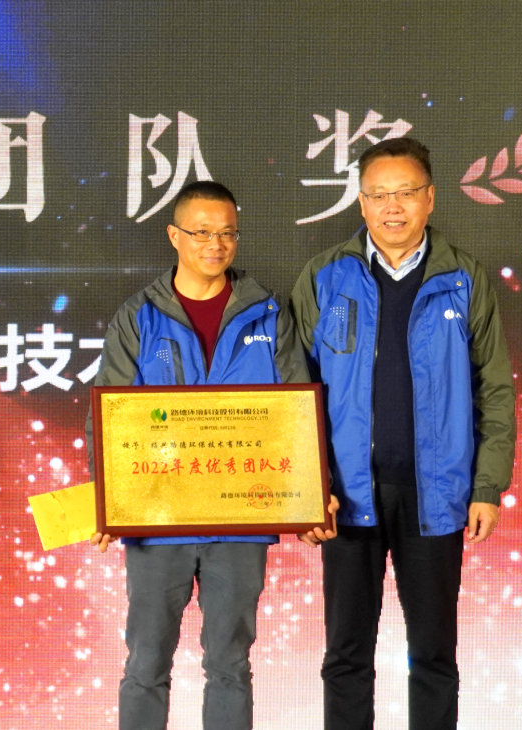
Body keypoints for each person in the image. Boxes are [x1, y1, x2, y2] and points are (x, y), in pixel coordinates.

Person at [88, 180, 336, 730]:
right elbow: (108, 416)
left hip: (240, 519)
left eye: (227, 233)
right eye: (201, 232)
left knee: (230, 666)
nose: (215, 244)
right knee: (145, 663)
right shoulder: (139, 316)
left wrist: (315, 496)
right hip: (156, 522)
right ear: (174, 235)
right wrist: (107, 503)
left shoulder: (267, 314)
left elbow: (298, 413)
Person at [289, 137, 516, 730]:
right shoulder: (325, 277)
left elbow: (494, 389)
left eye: (406, 193)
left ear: (430, 199)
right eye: (379, 195)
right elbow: (293, 393)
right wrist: (307, 492)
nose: (393, 207)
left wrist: (487, 487)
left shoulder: (463, 278)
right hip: (346, 494)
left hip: (435, 494)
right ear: (361, 202)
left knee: (435, 654)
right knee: (345, 655)